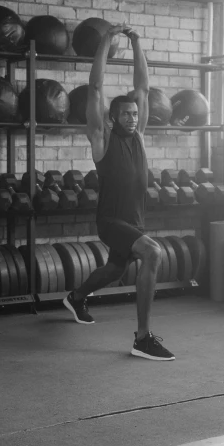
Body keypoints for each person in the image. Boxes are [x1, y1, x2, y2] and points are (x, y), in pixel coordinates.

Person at [63, 23, 175, 361]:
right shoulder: (103, 138)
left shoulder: (138, 135)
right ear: (112, 117)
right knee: (152, 253)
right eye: (125, 113)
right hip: (111, 220)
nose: (132, 117)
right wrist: (108, 40)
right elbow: (94, 87)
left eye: (135, 113)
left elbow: (143, 86)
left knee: (114, 269)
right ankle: (142, 338)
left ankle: (77, 296)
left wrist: (137, 42)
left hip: (135, 218)